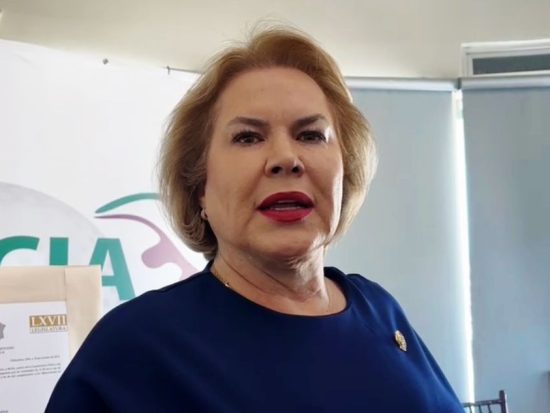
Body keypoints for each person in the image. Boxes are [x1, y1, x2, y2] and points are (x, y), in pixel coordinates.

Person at [46, 26, 464, 412]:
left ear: (346, 170)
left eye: (310, 135)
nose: (286, 158)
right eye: (248, 137)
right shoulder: (133, 349)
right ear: (200, 187)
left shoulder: (378, 308)